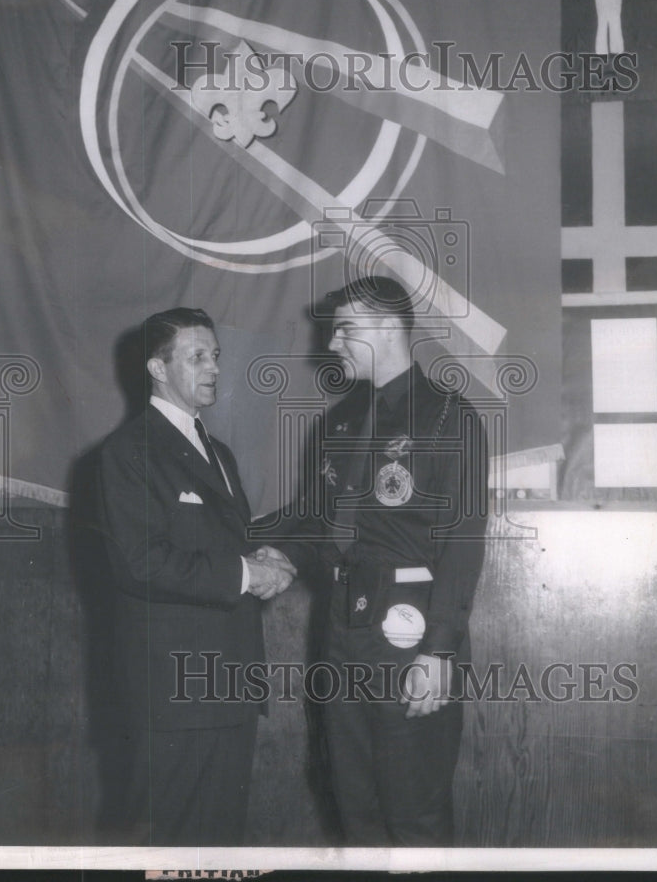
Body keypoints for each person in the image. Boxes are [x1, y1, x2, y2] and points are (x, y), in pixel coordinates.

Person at [263, 275, 489, 846]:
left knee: (413, 809)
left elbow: (463, 541)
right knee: (354, 805)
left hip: (408, 630)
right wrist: (282, 554)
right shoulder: (337, 423)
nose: (332, 342)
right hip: (341, 627)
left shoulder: (447, 417)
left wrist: (438, 651)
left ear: (388, 326)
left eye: (345, 329)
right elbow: (320, 519)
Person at [96, 307, 295, 846]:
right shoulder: (129, 453)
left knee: (221, 839)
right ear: (158, 370)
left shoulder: (219, 452)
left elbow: (217, 544)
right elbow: (140, 561)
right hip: (175, 692)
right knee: (174, 841)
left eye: (215, 356)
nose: (212, 368)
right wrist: (243, 572)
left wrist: (264, 558)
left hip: (228, 684)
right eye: (197, 356)